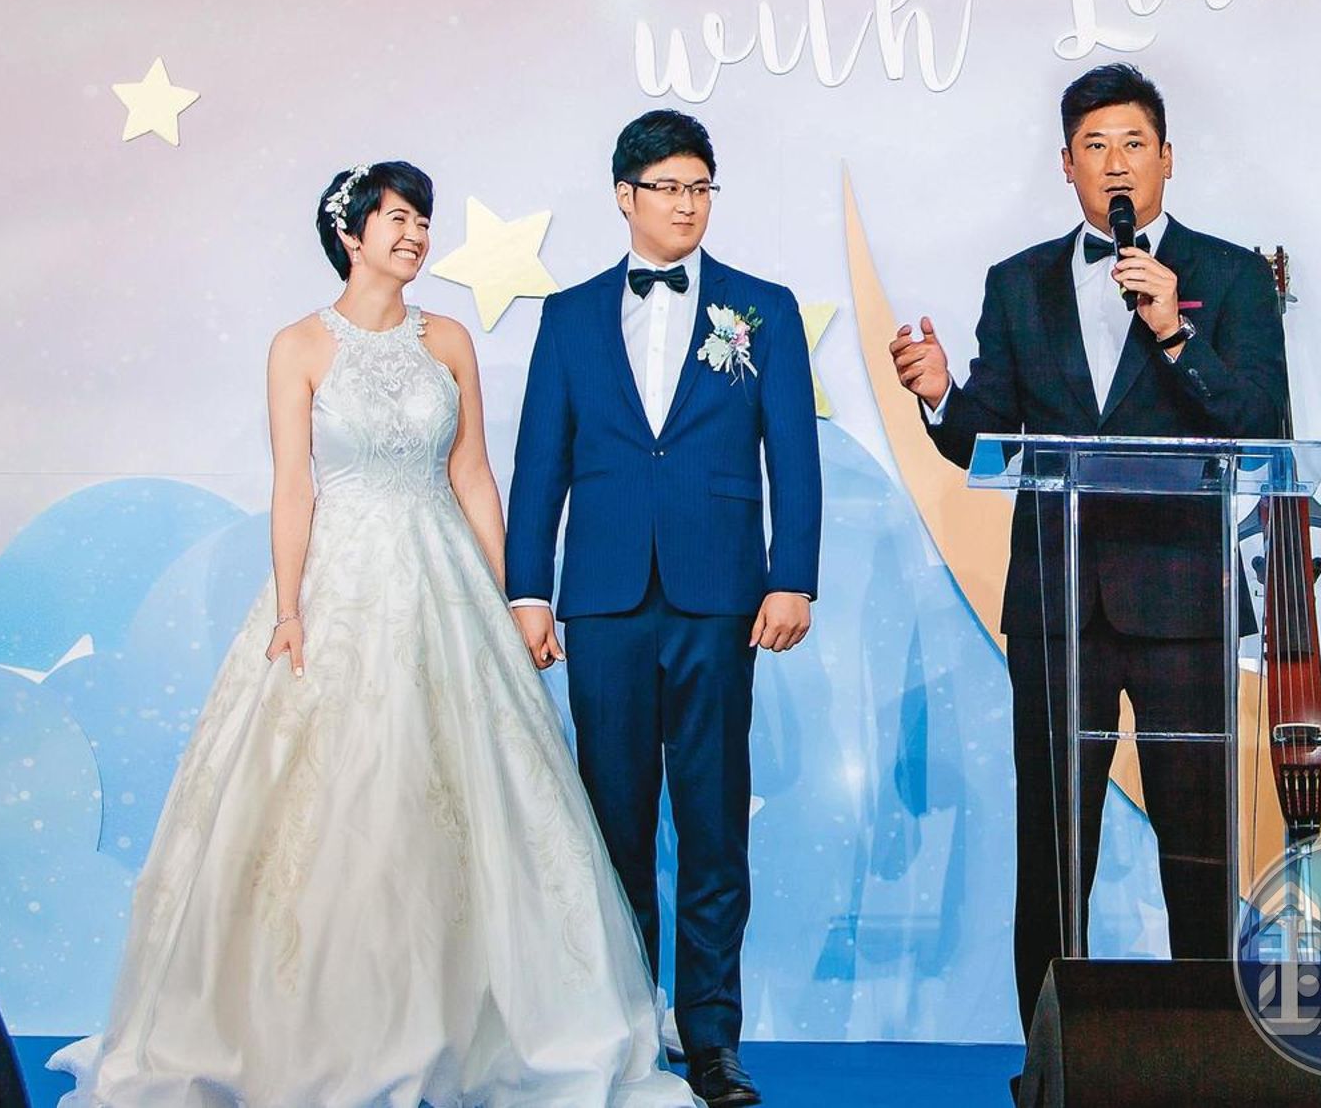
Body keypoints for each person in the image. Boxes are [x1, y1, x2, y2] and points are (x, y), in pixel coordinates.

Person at [49, 161, 695, 1106]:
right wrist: (288, 609)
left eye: (422, 219)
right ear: (350, 233)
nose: (416, 234)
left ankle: (475, 1016)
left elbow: (472, 474)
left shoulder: (449, 340)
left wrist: (516, 593)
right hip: (340, 581)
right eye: (397, 217)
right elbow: (294, 487)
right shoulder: (298, 345)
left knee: (471, 790)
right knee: (334, 791)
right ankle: (319, 1025)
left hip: (445, 579)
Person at [890, 64, 1289, 1039]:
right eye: (1095, 147)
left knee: (1197, 841)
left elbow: (1261, 424)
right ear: (1066, 165)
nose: (1116, 164)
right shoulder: (1017, 281)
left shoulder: (1231, 276)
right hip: (1057, 604)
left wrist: (1174, 334)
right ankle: (1051, 1060)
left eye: (1133, 144)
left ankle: (1206, 1048)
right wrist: (940, 395)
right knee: (1054, 843)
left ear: (1167, 159)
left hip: (1184, 605)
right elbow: (986, 433)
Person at [505, 110, 822, 1108]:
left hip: (719, 597)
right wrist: (527, 589)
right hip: (602, 600)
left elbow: (794, 456)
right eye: (667, 188)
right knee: (612, 822)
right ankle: (624, 1026)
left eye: (699, 188)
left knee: (714, 819)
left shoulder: (760, 309)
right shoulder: (568, 316)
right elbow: (539, 462)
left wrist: (792, 575)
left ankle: (713, 1037)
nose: (686, 205)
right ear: (624, 196)